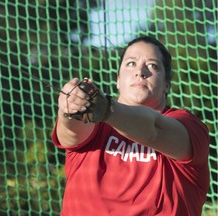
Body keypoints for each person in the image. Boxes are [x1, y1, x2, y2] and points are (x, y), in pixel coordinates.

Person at [52, 36, 209, 216]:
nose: (140, 72)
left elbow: (154, 130)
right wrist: (69, 107)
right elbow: (70, 132)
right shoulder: (94, 121)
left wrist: (108, 110)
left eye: (152, 66)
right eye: (131, 63)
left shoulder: (187, 125)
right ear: (118, 80)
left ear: (167, 85)